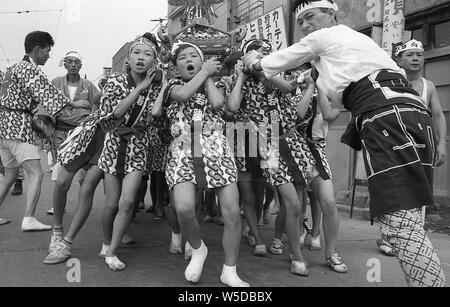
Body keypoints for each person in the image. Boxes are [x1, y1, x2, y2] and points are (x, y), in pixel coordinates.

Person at [244, 0, 446, 287]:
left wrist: (251, 62)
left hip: (385, 116)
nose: (304, 25)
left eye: (310, 17)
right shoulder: (358, 42)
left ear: (331, 15)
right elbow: (321, 101)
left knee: (401, 222)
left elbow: (270, 64)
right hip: (412, 115)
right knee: (410, 217)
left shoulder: (324, 37)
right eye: (300, 20)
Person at [155, 41, 249, 287]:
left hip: (216, 147)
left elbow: (219, 105)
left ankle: (230, 270)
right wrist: (205, 72)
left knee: (231, 212)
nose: (189, 60)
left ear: (202, 62)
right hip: (183, 150)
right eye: (183, 57)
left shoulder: (213, 84)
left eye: (194, 56)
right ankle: (198, 249)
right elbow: (184, 95)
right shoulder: (173, 85)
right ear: (175, 67)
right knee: (184, 208)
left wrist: (207, 77)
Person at [99, 34, 164, 271]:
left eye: (147, 54)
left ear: (153, 62)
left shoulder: (155, 90)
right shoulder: (114, 82)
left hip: (138, 146)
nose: (141, 58)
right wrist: (140, 88)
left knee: (127, 202)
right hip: (114, 144)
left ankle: (112, 252)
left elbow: (156, 117)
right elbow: (111, 116)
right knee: (111, 204)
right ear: (129, 58)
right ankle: (106, 243)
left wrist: (161, 84)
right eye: (137, 53)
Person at [0, 31, 74, 231]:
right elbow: (48, 94)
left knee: (10, 173)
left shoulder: (11, 69)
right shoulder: (28, 70)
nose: (49, 56)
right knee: (36, 174)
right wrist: (73, 105)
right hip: (17, 127)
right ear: (36, 50)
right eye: (47, 51)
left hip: (4, 127)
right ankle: (29, 219)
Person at [46, 51, 100, 216]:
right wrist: (48, 125)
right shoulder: (56, 82)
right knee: (59, 169)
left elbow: (97, 102)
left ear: (81, 66)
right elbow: (47, 101)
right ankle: (58, 205)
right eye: (70, 62)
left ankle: (82, 204)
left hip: (80, 132)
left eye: (76, 62)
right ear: (65, 64)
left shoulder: (88, 85)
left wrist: (92, 121)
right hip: (60, 131)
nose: (73, 65)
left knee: (83, 172)